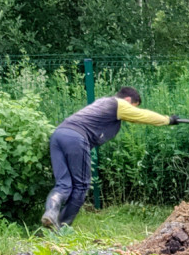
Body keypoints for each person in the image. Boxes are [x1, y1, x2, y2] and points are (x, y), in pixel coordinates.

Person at [41, 87, 179, 230]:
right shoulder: (119, 104)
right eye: (134, 107)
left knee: (63, 184)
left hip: (58, 135)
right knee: (81, 186)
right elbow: (142, 116)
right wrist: (168, 120)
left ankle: (51, 213)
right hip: (76, 138)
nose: (133, 110)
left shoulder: (102, 102)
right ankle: (61, 228)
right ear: (128, 100)